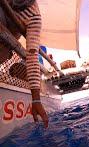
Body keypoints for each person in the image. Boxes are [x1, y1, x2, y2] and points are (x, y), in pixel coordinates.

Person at [9, 0, 49, 128]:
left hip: (5, 42)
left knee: (29, 57)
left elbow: (32, 56)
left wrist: (36, 99)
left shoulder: (34, 16)